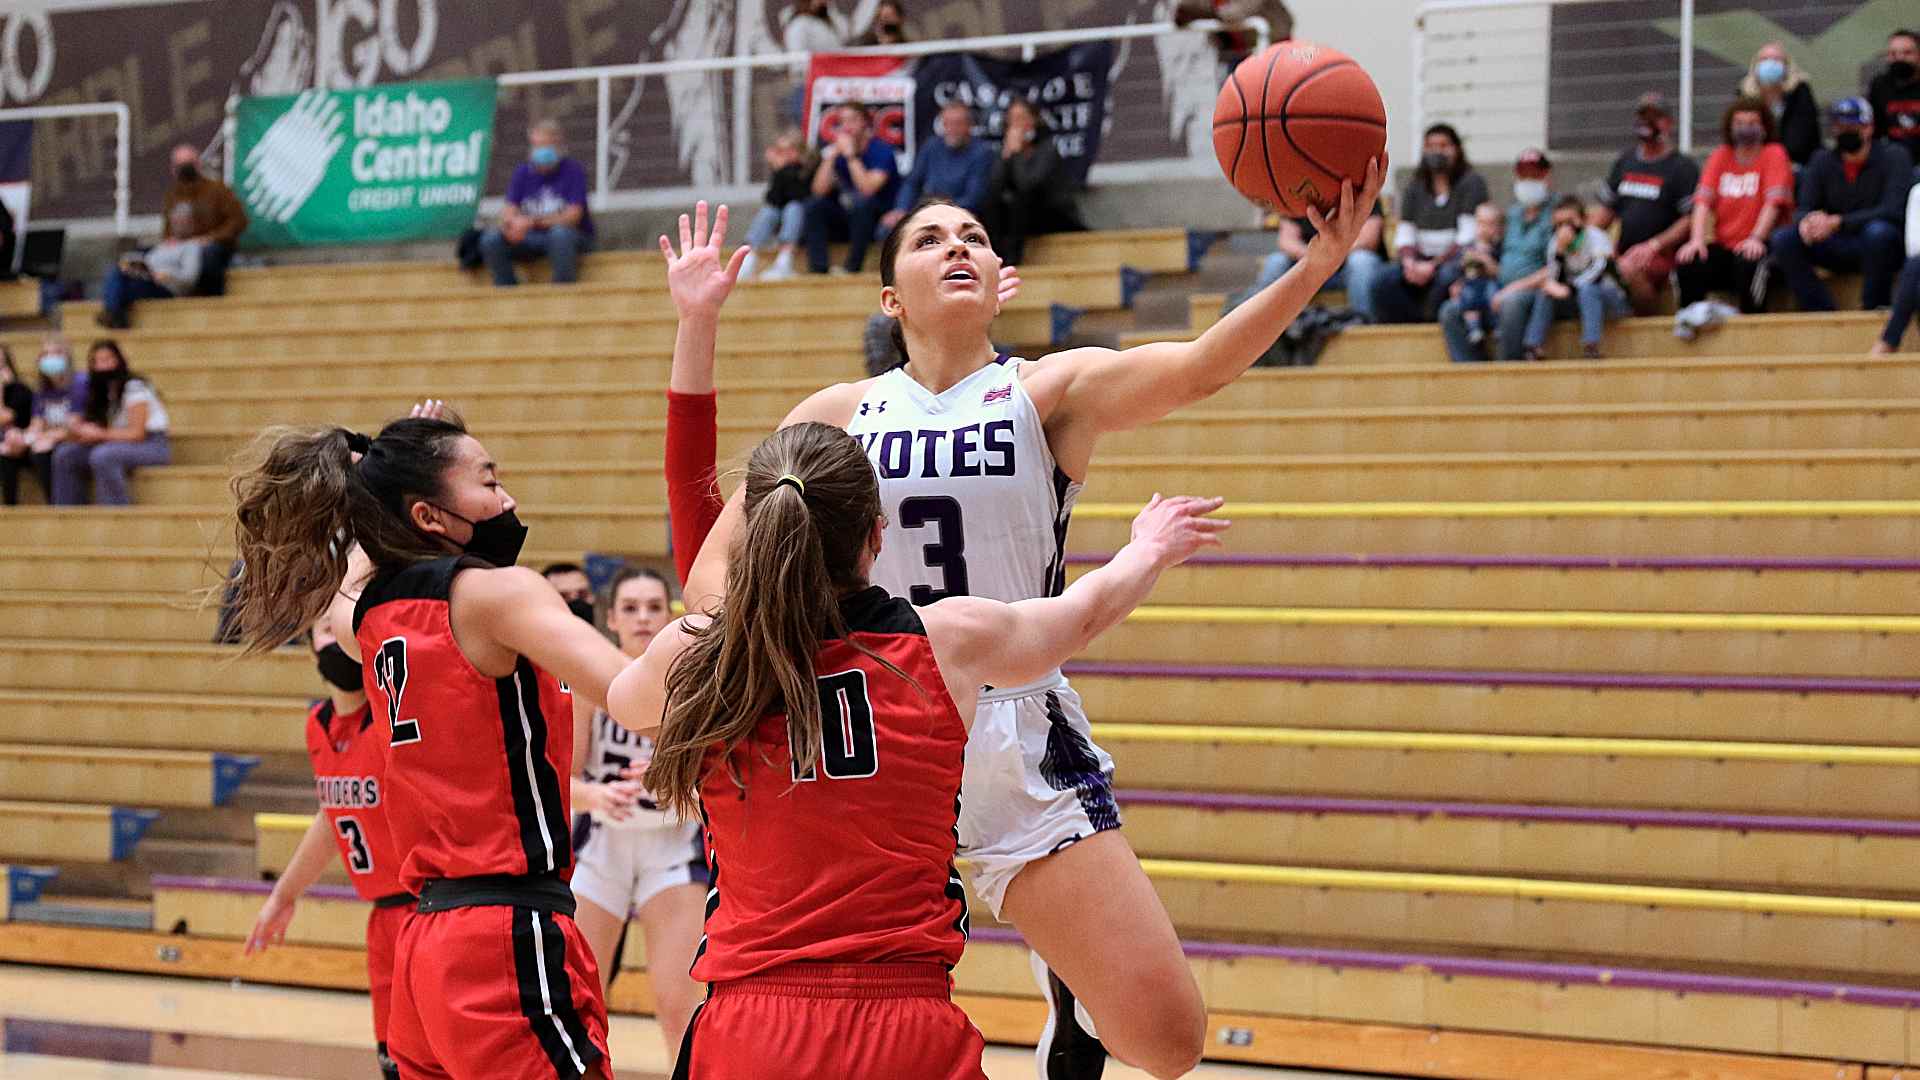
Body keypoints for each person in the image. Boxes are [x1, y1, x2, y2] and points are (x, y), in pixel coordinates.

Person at [657, 165, 1380, 1079]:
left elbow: (1202, 367)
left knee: (1166, 1041)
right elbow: (711, 575)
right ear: (890, 299)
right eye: (929, 239)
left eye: (973, 236)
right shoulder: (836, 415)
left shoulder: (1048, 390)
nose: (956, 245)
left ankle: (1071, 1000)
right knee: (833, 1006)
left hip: (1010, 719)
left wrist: (1318, 264)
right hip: (868, 728)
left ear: (1003, 279)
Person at [604, 421, 1224, 1080]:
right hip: (905, 1023)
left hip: (751, 1029)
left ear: (757, 534)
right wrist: (1148, 548)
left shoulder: (697, 654)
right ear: (877, 534)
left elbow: (623, 702)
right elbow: (1084, 613)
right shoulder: (948, 641)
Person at [225, 402, 625, 1080]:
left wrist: (386, 484)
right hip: (503, 932)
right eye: (490, 482)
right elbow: (637, 695)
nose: (508, 499)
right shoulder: (497, 596)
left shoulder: (371, 616)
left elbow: (359, 577)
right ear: (429, 516)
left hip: (424, 943)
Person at [244, 620, 411, 1080]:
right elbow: (333, 817)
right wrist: (284, 894)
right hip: (383, 918)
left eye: (344, 629)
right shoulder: (318, 725)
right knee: (393, 1062)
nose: (337, 639)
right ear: (310, 647)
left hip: (429, 908)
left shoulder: (395, 718)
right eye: (325, 630)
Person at [567, 567, 705, 1068]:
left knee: (679, 1006)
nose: (643, 617)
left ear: (670, 615)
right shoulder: (587, 684)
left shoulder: (694, 683)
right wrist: (596, 796)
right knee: (579, 1002)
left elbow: (723, 784)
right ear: (611, 619)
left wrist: (678, 779)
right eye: (630, 608)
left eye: (654, 607)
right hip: (601, 846)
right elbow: (561, 780)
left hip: (673, 847)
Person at [1769, 97, 1913, 312]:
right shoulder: (1821, 160)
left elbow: (1893, 210)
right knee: (1784, 239)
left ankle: (1873, 308)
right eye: (1840, 127)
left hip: (1880, 245)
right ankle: (1820, 311)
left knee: (1879, 232)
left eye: (1852, 127)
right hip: (1834, 241)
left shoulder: (1894, 156)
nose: (1845, 132)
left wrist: (1838, 222)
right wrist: (1809, 221)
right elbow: (1803, 208)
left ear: (1868, 128)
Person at [96, 145, 249, 328]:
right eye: (180, 165)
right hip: (174, 252)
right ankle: (114, 312)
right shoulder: (173, 195)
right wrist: (169, 243)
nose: (184, 169)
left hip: (208, 247)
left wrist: (210, 238)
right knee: (122, 267)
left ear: (198, 164)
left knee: (208, 255)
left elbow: (238, 221)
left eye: (188, 164)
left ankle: (208, 298)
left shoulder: (218, 190)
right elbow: (168, 229)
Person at [1677, 99, 1795, 316]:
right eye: (1739, 123)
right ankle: (1690, 320)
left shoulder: (1774, 153)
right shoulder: (1720, 155)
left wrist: (1756, 238)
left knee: (1749, 261)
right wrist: (1697, 240)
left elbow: (1773, 204)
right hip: (1726, 247)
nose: (1745, 129)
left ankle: (1752, 324)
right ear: (1730, 127)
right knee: (1689, 261)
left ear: (1764, 127)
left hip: (1765, 245)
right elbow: (1702, 203)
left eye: (1752, 123)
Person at [1439, 148, 1556, 362]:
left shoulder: (1557, 214)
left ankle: (1506, 369)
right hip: (1497, 284)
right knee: (1451, 309)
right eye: (1523, 175)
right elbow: (1494, 254)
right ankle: (1471, 371)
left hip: (1535, 290)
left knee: (1510, 303)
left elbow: (1557, 266)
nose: (1528, 181)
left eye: (1534, 175)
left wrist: (1513, 287)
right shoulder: (1513, 214)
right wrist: (1468, 282)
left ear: (1547, 176)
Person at [1370, 123, 1489, 323]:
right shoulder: (1414, 186)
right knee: (1382, 280)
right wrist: (1410, 263)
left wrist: (1433, 265)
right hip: (1419, 259)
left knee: (1446, 276)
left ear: (1457, 149)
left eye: (1444, 146)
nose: (1437, 152)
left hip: (1453, 259)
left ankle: (1428, 324)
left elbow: (1467, 237)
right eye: (1431, 146)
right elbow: (1405, 233)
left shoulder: (1471, 183)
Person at [1593, 93, 1698, 315]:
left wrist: (1654, 245)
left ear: (1668, 123)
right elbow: (1606, 211)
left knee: (1626, 270)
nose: (1647, 123)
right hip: (1623, 250)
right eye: (1643, 116)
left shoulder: (1682, 166)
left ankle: (1642, 319)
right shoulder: (1625, 161)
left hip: (1662, 253)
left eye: (1655, 117)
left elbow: (1689, 218)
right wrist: (1585, 239)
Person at [50, 340, 170, 506]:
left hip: (151, 445)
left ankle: (116, 513)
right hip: (114, 442)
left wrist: (100, 434)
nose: (102, 366)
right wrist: (80, 431)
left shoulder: (134, 387)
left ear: (119, 360)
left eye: (107, 360)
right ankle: (69, 512)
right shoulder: (100, 391)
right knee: (66, 454)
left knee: (103, 456)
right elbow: (99, 427)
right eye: (97, 362)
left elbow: (137, 434)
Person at [481, 121, 595, 287]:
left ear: (558, 145)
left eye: (545, 145)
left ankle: (563, 291)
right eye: (536, 145)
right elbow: (509, 211)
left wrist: (532, 222)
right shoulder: (522, 172)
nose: (540, 150)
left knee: (560, 235)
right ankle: (508, 292)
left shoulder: (573, 171)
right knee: (491, 239)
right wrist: (511, 225)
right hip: (529, 237)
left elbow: (573, 217)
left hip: (571, 237)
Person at [979, 99, 1087, 267]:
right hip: (1021, 218)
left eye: (1021, 118)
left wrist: (1017, 154)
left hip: (1051, 213)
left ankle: (1013, 259)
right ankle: (995, 256)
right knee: (990, 204)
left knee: (1021, 200)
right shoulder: (1008, 149)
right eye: (1012, 119)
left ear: (1034, 121)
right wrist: (1005, 157)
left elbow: (1027, 185)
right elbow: (994, 186)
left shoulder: (1047, 149)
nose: (1017, 125)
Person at [1241, 199, 1385, 321]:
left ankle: (1365, 324)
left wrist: (1333, 255)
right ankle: (1259, 322)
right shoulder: (1296, 197)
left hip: (1345, 268)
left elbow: (1368, 239)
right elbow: (1286, 241)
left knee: (1362, 261)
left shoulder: (1361, 192)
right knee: (1276, 261)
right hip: (1308, 267)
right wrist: (1314, 257)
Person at [804, 103, 900, 275]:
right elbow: (818, 190)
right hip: (848, 218)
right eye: (842, 122)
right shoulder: (838, 153)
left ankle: (851, 269)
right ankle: (818, 270)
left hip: (877, 220)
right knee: (814, 206)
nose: (847, 126)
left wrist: (851, 156)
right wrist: (831, 157)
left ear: (865, 123)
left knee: (863, 204)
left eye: (852, 120)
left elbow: (868, 189)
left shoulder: (881, 150)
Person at [883, 102, 994, 235]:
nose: (952, 128)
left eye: (958, 123)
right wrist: (901, 209)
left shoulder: (982, 152)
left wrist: (935, 212)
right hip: (928, 208)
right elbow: (912, 182)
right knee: (888, 228)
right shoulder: (932, 145)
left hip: (960, 215)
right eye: (947, 123)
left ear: (969, 126)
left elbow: (973, 198)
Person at [2, 338, 85, 506]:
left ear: (68, 357)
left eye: (57, 353)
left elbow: (74, 426)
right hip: (50, 439)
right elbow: (36, 425)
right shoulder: (42, 391)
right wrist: (21, 437)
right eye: (46, 354)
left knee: (43, 450)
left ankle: (57, 506)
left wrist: (45, 436)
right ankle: (11, 510)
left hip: (76, 439)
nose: (50, 358)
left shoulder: (79, 384)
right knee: (8, 449)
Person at [1542, 194, 1626, 359]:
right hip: (1579, 300)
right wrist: (1560, 252)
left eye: (1569, 222)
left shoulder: (1596, 237)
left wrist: (1571, 287)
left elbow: (1599, 269)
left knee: (1588, 289)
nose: (1565, 228)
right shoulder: (1555, 243)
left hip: (1611, 297)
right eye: (1559, 224)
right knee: (1546, 292)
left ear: (1584, 219)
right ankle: (1533, 346)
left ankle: (1591, 346)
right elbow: (1553, 276)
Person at [740, 132, 812, 282]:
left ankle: (784, 262)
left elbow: (797, 195)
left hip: (805, 225)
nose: (782, 155)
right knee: (769, 211)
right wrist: (778, 171)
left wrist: (780, 170)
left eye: (787, 150)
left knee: (793, 208)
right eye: (779, 150)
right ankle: (748, 257)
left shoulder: (806, 171)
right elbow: (772, 200)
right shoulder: (782, 172)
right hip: (782, 224)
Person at [1740, 42, 1821, 167]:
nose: (1770, 64)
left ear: (1786, 67)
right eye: (1764, 59)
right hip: (1756, 163)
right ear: (1755, 67)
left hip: (1797, 162)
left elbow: (1802, 137)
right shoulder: (1745, 95)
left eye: (1776, 59)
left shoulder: (1800, 91)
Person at [1870, 181, 1920, 356]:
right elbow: (1914, 247)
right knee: (1915, 273)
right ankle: (1889, 340)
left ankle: (1888, 341)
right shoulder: (1918, 193)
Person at [1448, 203, 1505, 350]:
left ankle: (1498, 327)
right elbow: (1458, 269)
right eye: (1481, 223)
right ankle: (1474, 329)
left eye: (1490, 224)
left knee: (1493, 293)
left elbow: (1500, 273)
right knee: (1465, 297)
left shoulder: (1500, 248)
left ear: (1500, 228)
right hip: (1472, 286)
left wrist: (1485, 259)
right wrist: (1457, 282)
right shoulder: (1468, 247)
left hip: (1491, 287)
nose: (1484, 228)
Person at [782, 0, 844, 125]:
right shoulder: (799, 24)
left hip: (830, 87)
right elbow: (798, 61)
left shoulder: (828, 23)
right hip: (807, 89)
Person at [1867, 29, 1920, 163]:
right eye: (1893, 54)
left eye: (1907, 53)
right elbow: (1873, 132)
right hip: (1891, 161)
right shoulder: (1880, 86)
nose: (1899, 58)